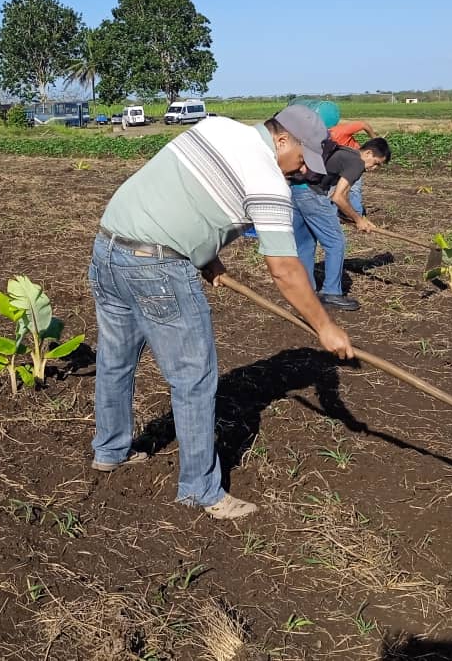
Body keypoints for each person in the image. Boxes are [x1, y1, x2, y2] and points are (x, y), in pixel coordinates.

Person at [88, 106, 355, 521]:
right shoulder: (268, 180)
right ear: (282, 140)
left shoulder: (216, 127)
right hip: (157, 267)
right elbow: (284, 268)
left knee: (116, 359)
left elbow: (183, 194)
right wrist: (324, 326)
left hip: (108, 247)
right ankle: (200, 490)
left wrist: (205, 253)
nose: (300, 170)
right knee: (193, 379)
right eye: (302, 159)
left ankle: (110, 450)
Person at [290, 136, 392, 311]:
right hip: (312, 195)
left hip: (297, 190)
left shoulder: (344, 152)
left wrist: (347, 217)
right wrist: (359, 219)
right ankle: (331, 293)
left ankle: (305, 291)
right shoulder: (357, 163)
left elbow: (334, 195)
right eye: (376, 163)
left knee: (305, 244)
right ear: (368, 153)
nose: (374, 169)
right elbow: (338, 197)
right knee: (335, 243)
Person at [328, 120, 380, 216]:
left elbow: (364, 124)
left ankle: (357, 215)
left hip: (356, 162)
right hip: (339, 165)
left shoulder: (340, 131)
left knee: (354, 188)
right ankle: (336, 214)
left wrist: (375, 139)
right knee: (335, 190)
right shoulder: (320, 140)